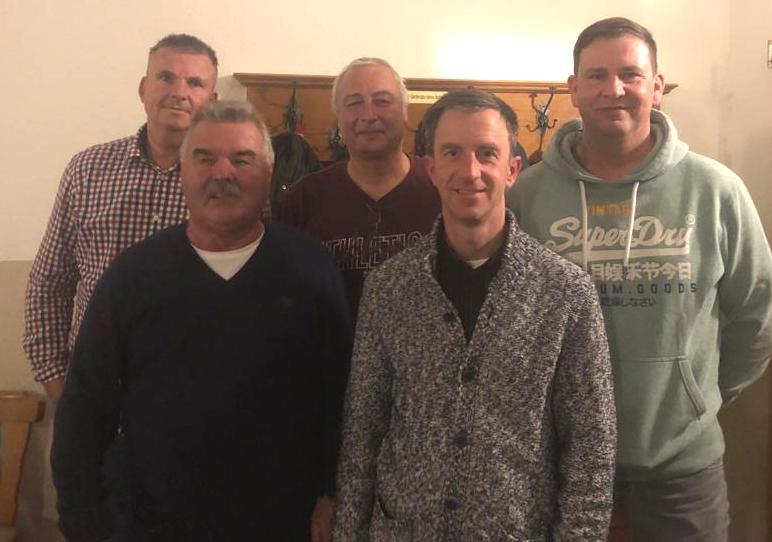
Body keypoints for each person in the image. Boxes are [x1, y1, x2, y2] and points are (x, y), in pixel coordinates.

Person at [507, 17, 772, 541]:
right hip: (563, 461)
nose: (613, 89)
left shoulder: (715, 190)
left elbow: (760, 318)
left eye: (630, 74)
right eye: (596, 75)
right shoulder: (528, 195)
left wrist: (698, 398)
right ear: (574, 89)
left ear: (656, 87)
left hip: (682, 473)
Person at [51, 101, 352, 542]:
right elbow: (84, 407)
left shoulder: (311, 269)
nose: (222, 173)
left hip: (285, 522)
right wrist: (83, 523)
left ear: (268, 173)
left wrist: (331, 491)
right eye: (205, 158)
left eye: (242, 159)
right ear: (184, 172)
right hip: (151, 524)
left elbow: (340, 396)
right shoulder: (133, 276)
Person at [334, 89, 616, 540]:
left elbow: (590, 449)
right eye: (452, 153)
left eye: (487, 153)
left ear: (512, 169)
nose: (470, 171)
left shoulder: (566, 294)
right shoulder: (389, 287)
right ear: (431, 169)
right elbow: (362, 431)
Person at [24, 34, 219, 399]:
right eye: (166, 77)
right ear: (143, 88)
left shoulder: (229, 182)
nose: (179, 92)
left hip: (194, 393)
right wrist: (57, 384)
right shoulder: (87, 170)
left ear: (212, 100)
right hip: (95, 387)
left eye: (195, 83)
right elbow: (50, 281)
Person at [276, 57, 440, 319]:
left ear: (405, 111)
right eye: (354, 103)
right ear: (339, 117)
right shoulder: (304, 198)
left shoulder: (440, 187)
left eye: (382, 101)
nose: (368, 116)